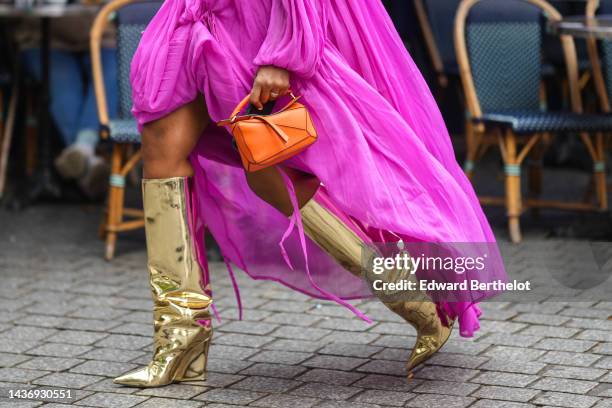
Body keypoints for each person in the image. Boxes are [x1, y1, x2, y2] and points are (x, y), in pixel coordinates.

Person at [113, 0, 507, 388]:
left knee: (269, 172)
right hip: (189, 16)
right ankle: (180, 339)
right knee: (161, 151)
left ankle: (413, 298)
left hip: (260, 19)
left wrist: (284, 52)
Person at [18, 16, 117, 198]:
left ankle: (82, 153)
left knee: (116, 70)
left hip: (102, 36)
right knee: (62, 82)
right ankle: (87, 157)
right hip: (43, 37)